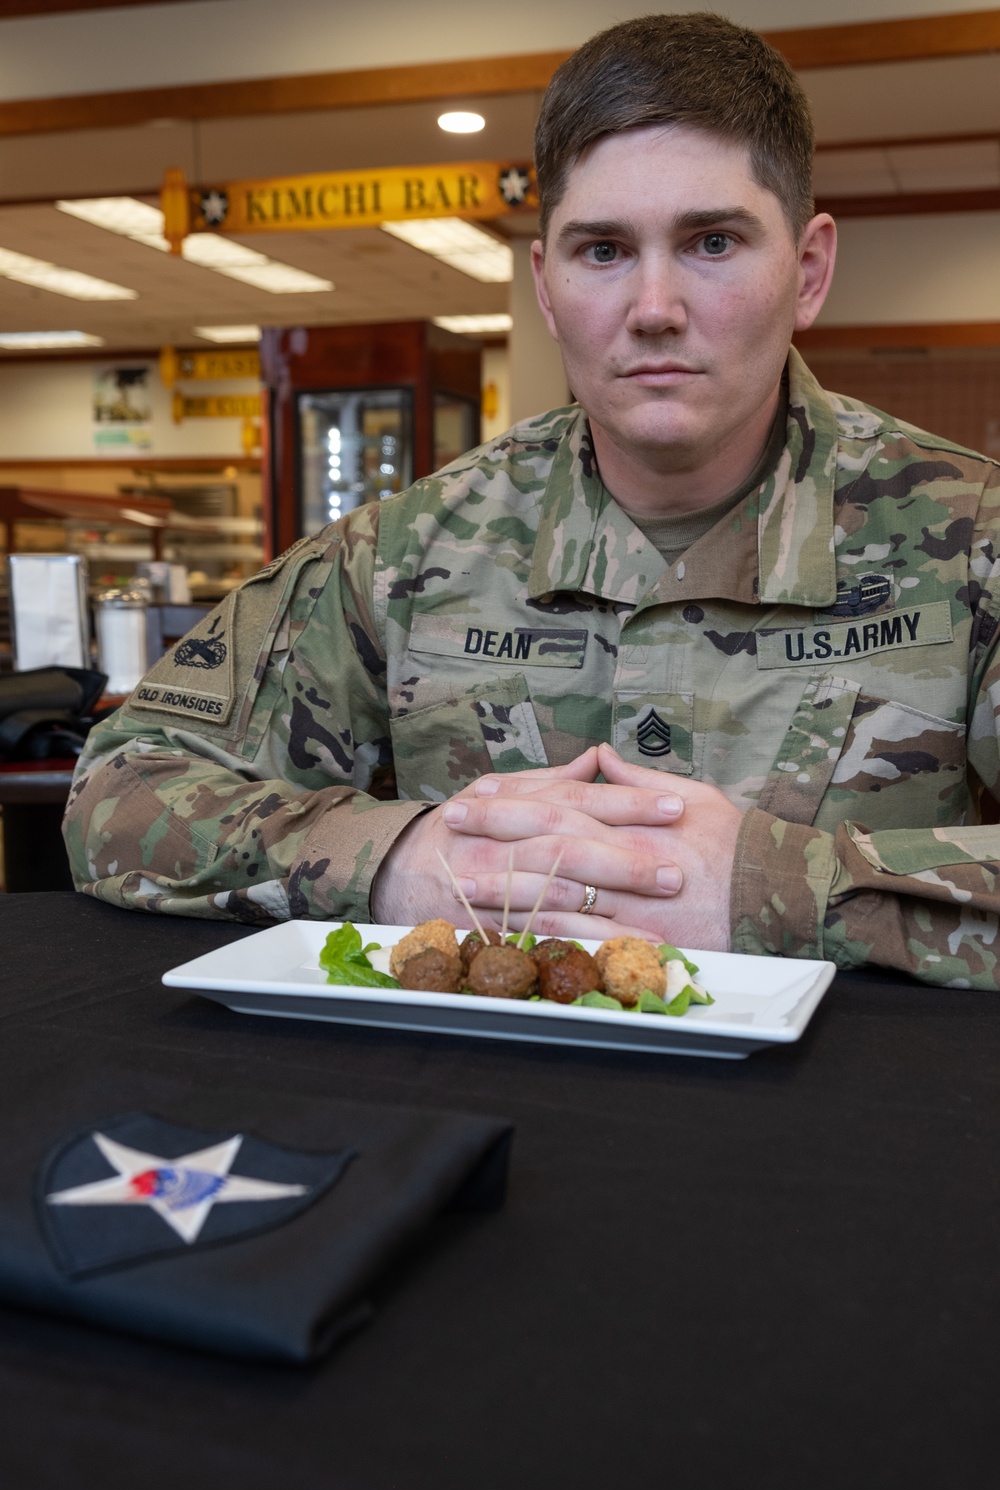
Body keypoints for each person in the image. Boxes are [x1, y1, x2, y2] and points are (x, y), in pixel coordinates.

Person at [64, 13, 1000, 986]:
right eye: (602, 250)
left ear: (805, 272)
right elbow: (117, 789)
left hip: (846, 1120)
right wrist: (396, 862)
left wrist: (783, 885)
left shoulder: (969, 536)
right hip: (480, 1105)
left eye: (711, 242)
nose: (653, 307)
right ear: (546, 289)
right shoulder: (410, 552)